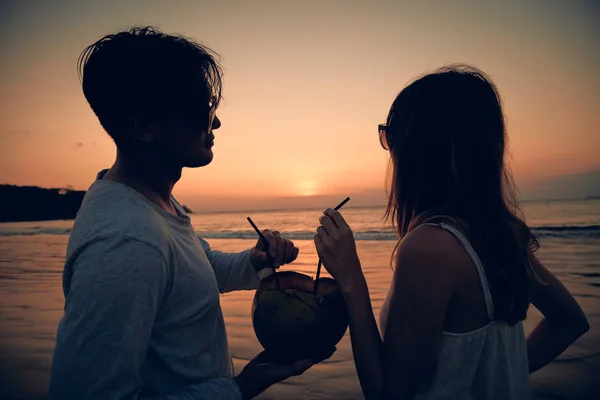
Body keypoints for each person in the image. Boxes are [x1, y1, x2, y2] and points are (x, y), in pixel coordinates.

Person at [50, 26, 330, 400]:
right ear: (144, 127)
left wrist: (252, 261)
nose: (215, 122)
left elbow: (191, 270)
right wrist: (238, 388)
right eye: (201, 109)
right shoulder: (127, 240)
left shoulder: (152, 205)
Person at [314, 65, 590, 399]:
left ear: (417, 148)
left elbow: (389, 394)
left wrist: (351, 280)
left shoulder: (429, 249)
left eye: (392, 135)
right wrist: (505, 374)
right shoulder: (498, 236)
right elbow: (570, 321)